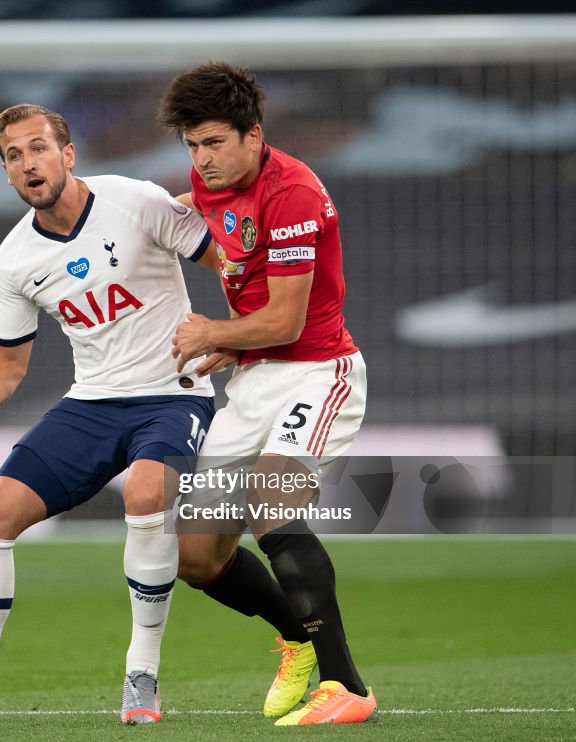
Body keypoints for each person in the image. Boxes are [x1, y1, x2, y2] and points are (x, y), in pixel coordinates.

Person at [0, 103, 217, 725]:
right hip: (91, 403)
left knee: (147, 496)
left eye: (38, 148)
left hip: (173, 395)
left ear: (68, 155)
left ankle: (142, 675)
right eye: (13, 156)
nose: (27, 163)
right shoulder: (14, 260)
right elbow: (8, 366)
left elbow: (225, 261)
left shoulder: (137, 201)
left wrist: (234, 334)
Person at [157, 62, 378, 726]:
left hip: (319, 371)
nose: (203, 160)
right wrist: (238, 345)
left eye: (215, 143)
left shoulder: (293, 194)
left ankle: (348, 689)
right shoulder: (208, 180)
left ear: (255, 135)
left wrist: (214, 332)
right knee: (195, 556)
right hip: (254, 379)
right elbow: (221, 244)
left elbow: (285, 320)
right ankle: (297, 637)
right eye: (193, 146)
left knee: (269, 501)